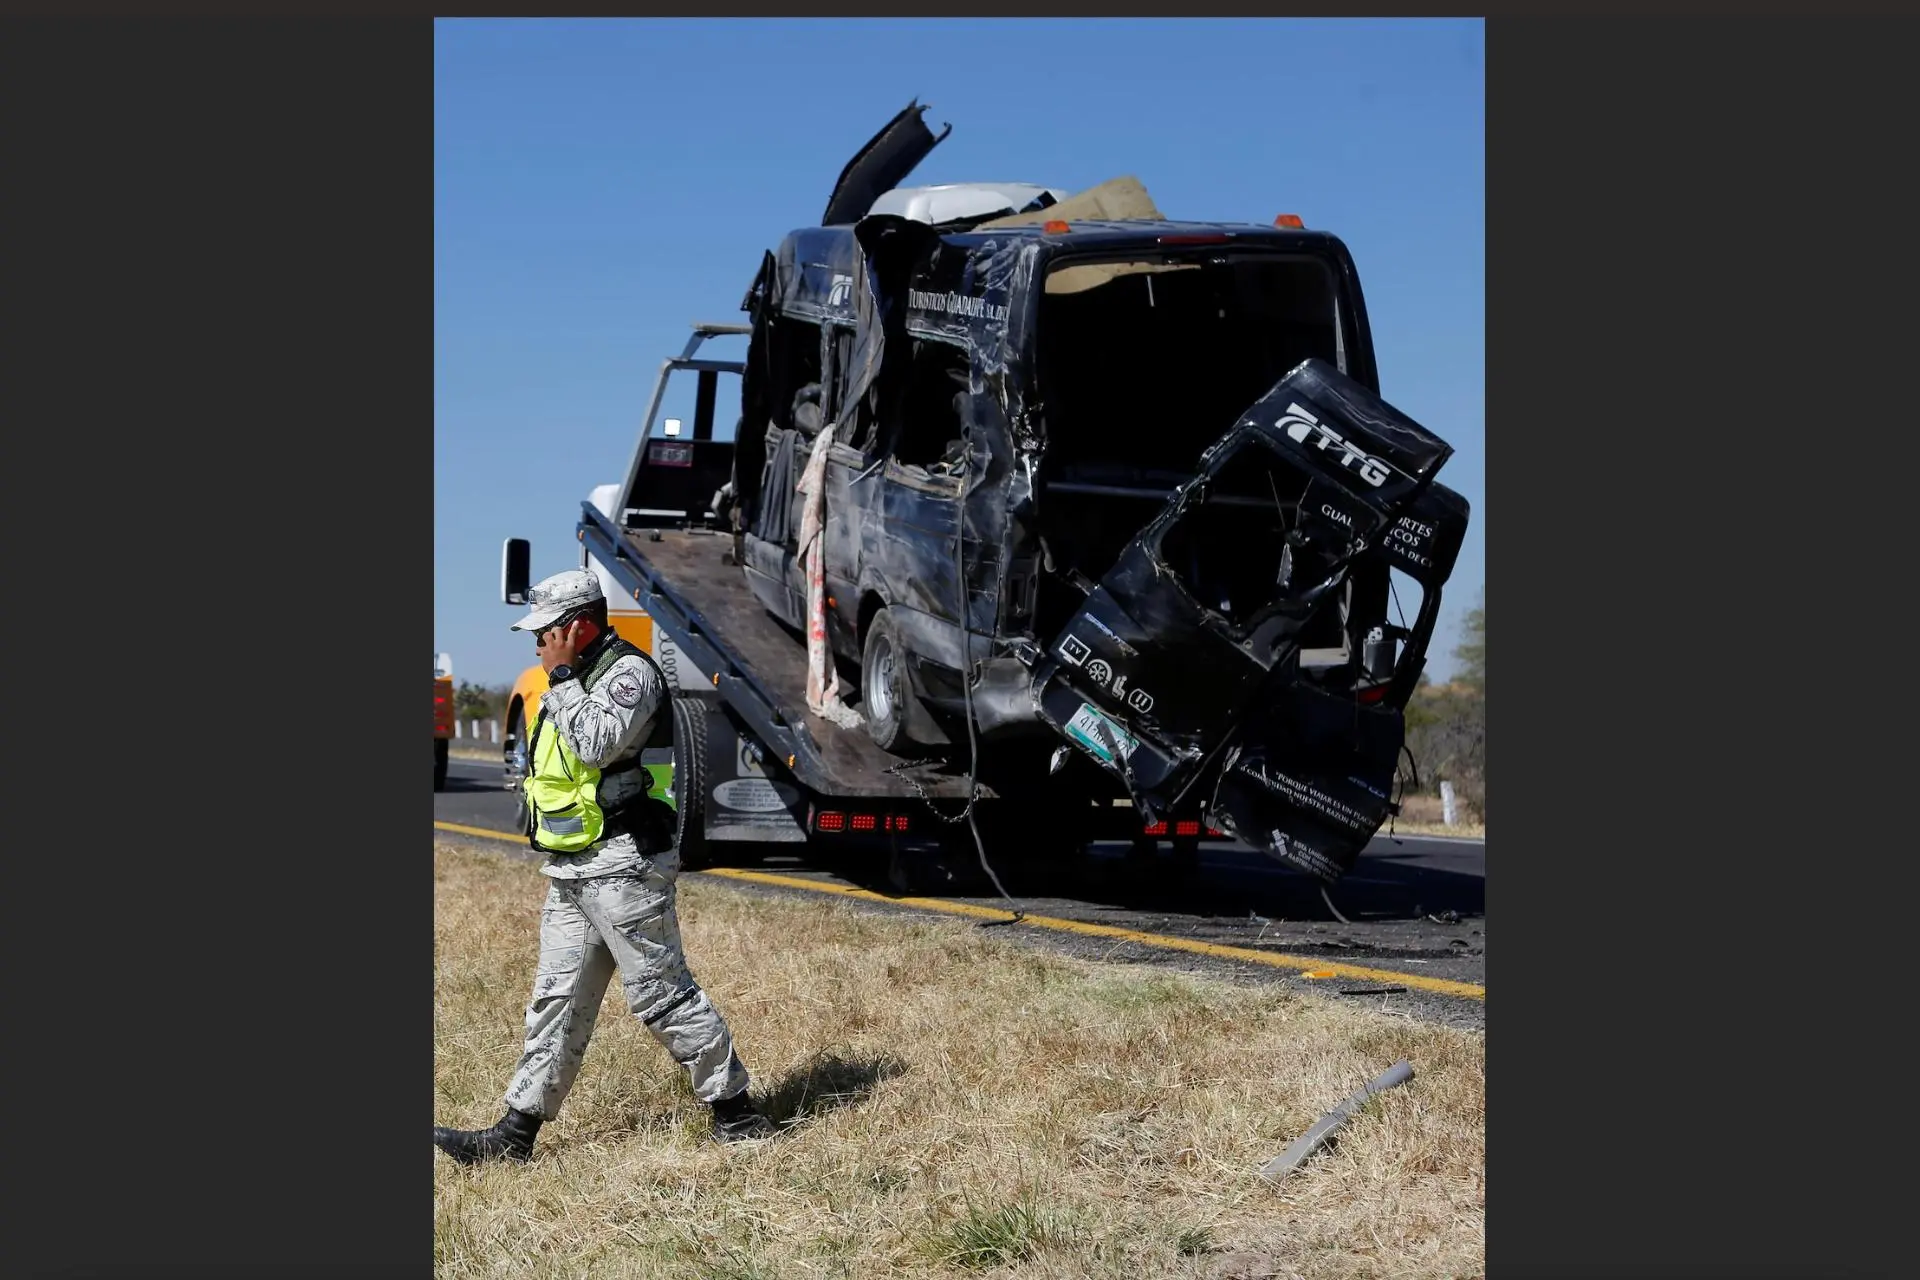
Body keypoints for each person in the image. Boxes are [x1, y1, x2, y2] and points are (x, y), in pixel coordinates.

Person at [433, 568, 776, 1164]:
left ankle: (739, 1115)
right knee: (556, 999)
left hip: (624, 864)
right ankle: (515, 1136)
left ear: (578, 626)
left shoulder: (628, 674)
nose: (537, 644)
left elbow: (597, 743)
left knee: (661, 995)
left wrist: (562, 677)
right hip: (573, 867)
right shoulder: (567, 679)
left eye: (545, 632)